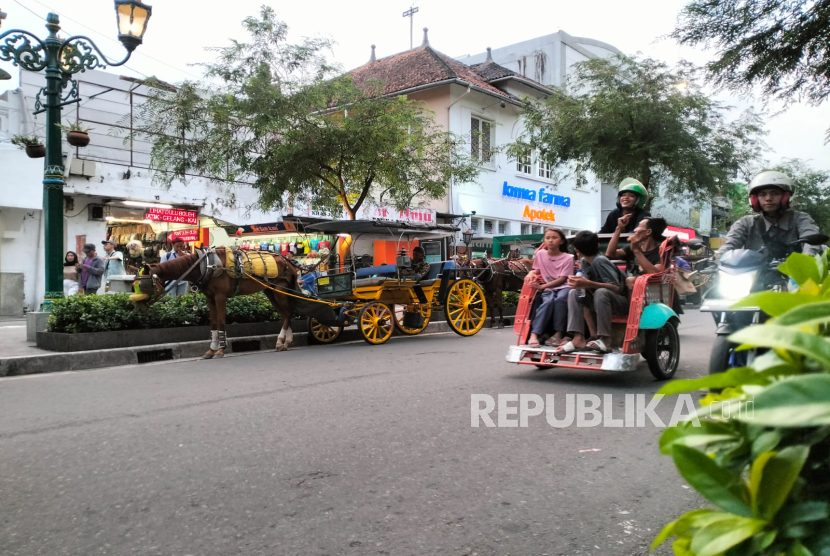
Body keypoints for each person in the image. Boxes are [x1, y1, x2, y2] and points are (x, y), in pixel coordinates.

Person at [556, 231, 628, 354]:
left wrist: (588, 284)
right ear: (598, 246)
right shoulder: (584, 262)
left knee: (601, 292)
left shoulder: (600, 261)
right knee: (574, 293)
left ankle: (605, 339)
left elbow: (616, 288)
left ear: (577, 250)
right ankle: (578, 337)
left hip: (621, 303)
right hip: (599, 302)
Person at [721, 171, 821, 258]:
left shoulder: (800, 219)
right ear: (755, 199)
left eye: (775, 193)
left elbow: (811, 241)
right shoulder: (746, 223)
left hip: (794, 275)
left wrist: (808, 257)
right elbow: (730, 244)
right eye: (763, 194)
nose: (768, 198)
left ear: (786, 197)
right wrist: (718, 259)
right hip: (753, 276)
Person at [524, 227, 574, 347]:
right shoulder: (540, 254)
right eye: (548, 238)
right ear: (544, 241)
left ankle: (558, 332)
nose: (550, 240)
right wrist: (531, 272)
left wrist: (542, 287)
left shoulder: (569, 258)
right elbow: (537, 269)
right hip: (549, 288)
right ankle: (534, 334)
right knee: (547, 302)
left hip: (564, 286)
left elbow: (562, 279)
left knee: (561, 299)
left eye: (554, 238)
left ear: (561, 241)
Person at [606, 216, 668, 293]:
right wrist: (619, 228)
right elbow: (610, 254)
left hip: (648, 292)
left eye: (638, 226)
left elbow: (655, 274)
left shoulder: (661, 251)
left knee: (631, 280)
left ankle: (631, 304)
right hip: (625, 285)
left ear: (648, 232)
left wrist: (636, 251)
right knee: (600, 260)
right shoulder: (634, 246)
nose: (635, 230)